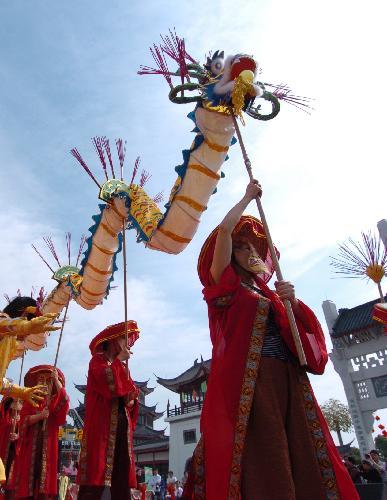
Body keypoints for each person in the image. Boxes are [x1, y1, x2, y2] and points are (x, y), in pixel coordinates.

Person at [182, 181, 359, 499]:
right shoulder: (227, 288)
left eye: (252, 247)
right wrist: (247, 198)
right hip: (253, 385)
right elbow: (224, 231)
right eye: (241, 246)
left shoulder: (269, 291)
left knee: (300, 455)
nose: (248, 251)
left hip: (288, 381)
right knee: (267, 459)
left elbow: (301, 337)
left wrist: (292, 302)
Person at [77, 321, 140, 500]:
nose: (127, 343)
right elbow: (107, 385)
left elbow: (128, 397)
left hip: (121, 426)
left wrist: (131, 401)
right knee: (97, 470)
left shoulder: (122, 368)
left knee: (121, 471)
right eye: (124, 338)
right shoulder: (97, 362)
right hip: (102, 427)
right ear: (113, 340)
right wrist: (119, 361)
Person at [0, 296, 59, 486]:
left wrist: (22, 392)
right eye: (29, 321)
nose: (27, 337)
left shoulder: (9, 339)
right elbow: (7, 324)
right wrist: (26, 327)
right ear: (25, 313)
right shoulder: (3, 321)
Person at [9, 365, 69, 499]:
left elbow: (65, 402)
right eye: (41, 379)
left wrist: (57, 382)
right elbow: (24, 421)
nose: (45, 383)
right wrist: (40, 416)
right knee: (27, 483)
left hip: (47, 449)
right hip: (30, 448)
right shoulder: (29, 401)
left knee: (44, 484)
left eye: (48, 380)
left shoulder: (54, 401)